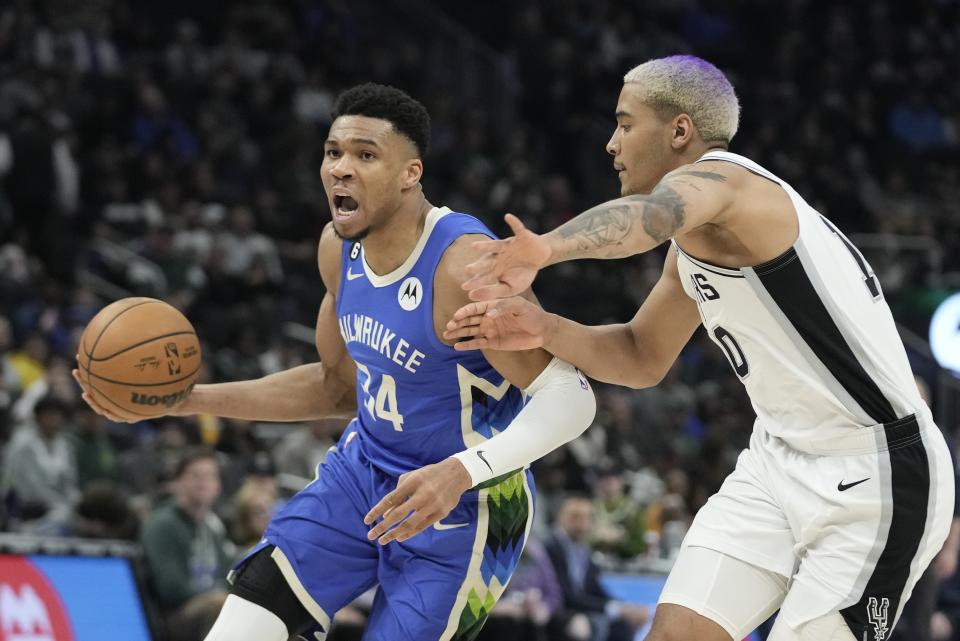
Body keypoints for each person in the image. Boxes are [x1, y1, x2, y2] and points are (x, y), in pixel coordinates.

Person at [444, 55, 955, 641]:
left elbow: (649, 217)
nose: (611, 144)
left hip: (879, 472)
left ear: (679, 130)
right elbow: (640, 355)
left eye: (625, 123)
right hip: (777, 458)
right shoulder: (691, 247)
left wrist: (547, 250)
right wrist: (546, 329)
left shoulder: (732, 184)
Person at [74, 83, 596, 641]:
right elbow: (335, 389)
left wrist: (462, 471)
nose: (340, 169)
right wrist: (185, 400)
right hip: (360, 475)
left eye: (365, 155)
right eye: (333, 152)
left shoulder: (465, 264)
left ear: (410, 174)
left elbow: (573, 398)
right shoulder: (338, 249)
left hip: (467, 509)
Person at [140, 447, 234, 641]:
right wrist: (219, 596)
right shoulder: (163, 523)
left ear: (218, 485)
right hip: (172, 615)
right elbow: (170, 588)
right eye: (196, 476)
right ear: (177, 483)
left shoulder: (213, 525)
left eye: (210, 476)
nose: (203, 482)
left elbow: (229, 575)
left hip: (211, 604)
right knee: (221, 605)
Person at [544, 496, 650, 641]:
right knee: (582, 625)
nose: (584, 524)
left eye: (587, 519)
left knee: (624, 624)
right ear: (566, 519)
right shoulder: (552, 547)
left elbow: (595, 588)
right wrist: (614, 609)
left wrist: (622, 608)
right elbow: (567, 595)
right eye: (577, 518)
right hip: (558, 609)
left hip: (582, 607)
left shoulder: (583, 550)